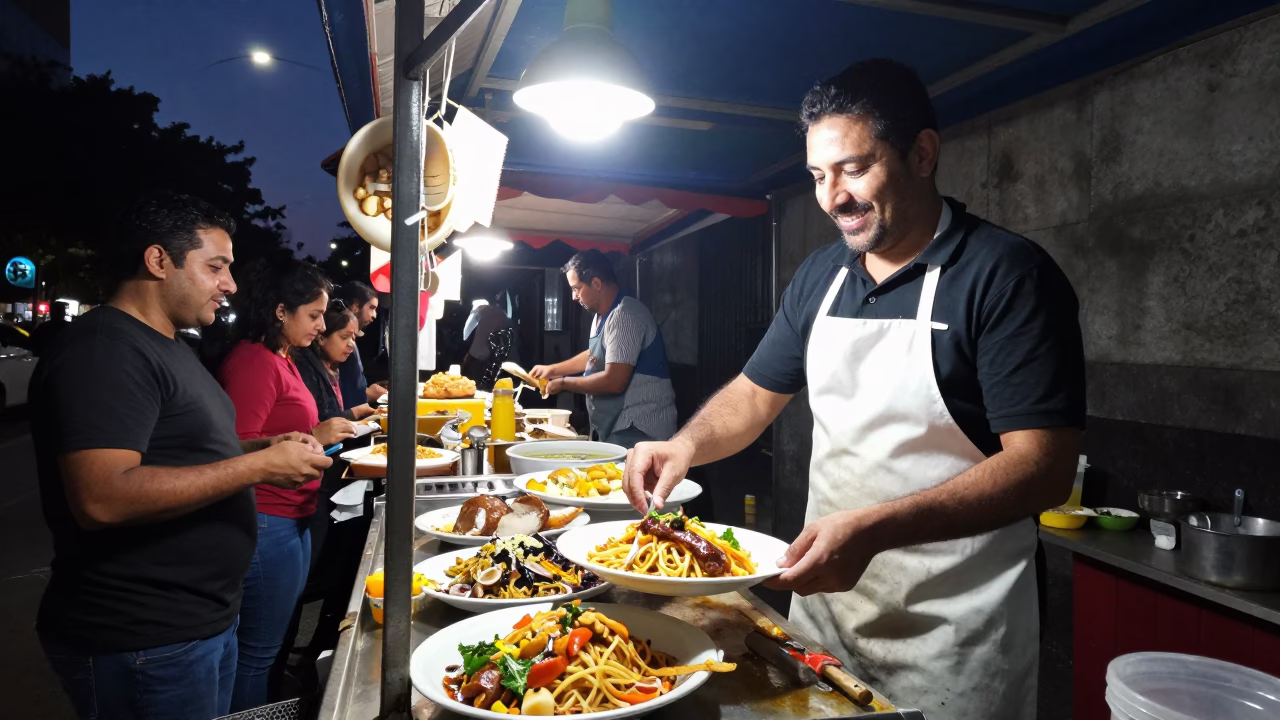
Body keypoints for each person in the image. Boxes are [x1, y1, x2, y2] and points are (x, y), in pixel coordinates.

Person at [624, 59, 1085, 720]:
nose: (832, 196)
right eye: (817, 175)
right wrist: (685, 443)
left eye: (854, 168)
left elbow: (1042, 469)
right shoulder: (822, 277)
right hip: (826, 615)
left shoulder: (1005, 276)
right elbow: (755, 397)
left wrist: (873, 530)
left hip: (951, 638)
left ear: (922, 153)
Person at [29, 192, 332, 720]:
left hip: (196, 623)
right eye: (216, 267)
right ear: (157, 261)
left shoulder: (171, 343)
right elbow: (102, 496)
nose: (231, 285)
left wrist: (261, 446)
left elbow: (178, 451)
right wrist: (258, 467)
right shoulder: (105, 348)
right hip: (143, 637)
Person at [219, 259, 357, 711]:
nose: (321, 326)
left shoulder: (285, 359)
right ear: (281, 310)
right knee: (257, 653)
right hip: (267, 517)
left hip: (295, 513)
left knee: (274, 644)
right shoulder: (254, 362)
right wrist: (315, 437)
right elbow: (233, 447)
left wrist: (318, 435)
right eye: (314, 315)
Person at [531, 250, 677, 448]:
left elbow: (614, 381)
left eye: (577, 289)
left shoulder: (626, 315)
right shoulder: (601, 316)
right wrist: (553, 370)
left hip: (639, 430)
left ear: (597, 284)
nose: (574, 297)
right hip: (616, 427)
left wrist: (564, 384)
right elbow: (595, 355)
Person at [294, 302, 378, 423]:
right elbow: (320, 422)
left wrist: (359, 411)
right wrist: (355, 412)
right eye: (344, 337)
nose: (351, 345)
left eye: (353, 338)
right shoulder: (307, 370)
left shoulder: (333, 368)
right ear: (321, 338)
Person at [331, 281, 386, 409]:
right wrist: (367, 394)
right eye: (371, 308)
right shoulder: (334, 344)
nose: (374, 316)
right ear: (355, 306)